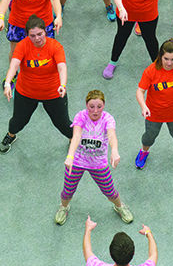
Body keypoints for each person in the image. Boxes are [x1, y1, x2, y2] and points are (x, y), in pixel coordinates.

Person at [56, 90, 132, 226]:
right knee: (67, 190)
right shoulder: (80, 116)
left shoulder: (108, 119)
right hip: (77, 161)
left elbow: (111, 136)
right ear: (86, 105)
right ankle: (64, 207)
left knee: (109, 191)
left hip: (98, 163)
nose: (95, 111)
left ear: (104, 106)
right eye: (92, 106)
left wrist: (114, 151)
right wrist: (70, 156)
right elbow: (76, 136)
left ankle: (119, 207)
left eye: (99, 106)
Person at [0, 15, 72, 154]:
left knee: (63, 123)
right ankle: (11, 135)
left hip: (53, 93)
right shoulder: (22, 45)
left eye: (40, 34)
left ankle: (73, 139)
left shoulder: (55, 46)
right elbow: (14, 65)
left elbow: (62, 67)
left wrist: (62, 85)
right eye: (32, 36)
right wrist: (8, 82)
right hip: (26, 93)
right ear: (27, 35)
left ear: (46, 32)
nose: (37, 38)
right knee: (18, 121)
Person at [135, 39, 173, 170]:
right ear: (160, 56)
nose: (169, 63)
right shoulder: (150, 71)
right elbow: (140, 91)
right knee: (149, 137)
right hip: (154, 113)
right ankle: (144, 152)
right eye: (166, 58)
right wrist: (143, 106)